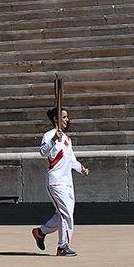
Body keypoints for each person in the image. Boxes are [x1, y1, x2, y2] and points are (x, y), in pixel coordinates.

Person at [31, 107, 89, 257]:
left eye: (67, 117)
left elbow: (71, 160)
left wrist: (82, 168)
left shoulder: (67, 139)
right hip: (55, 182)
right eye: (64, 117)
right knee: (66, 214)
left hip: (68, 182)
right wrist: (52, 140)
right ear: (56, 119)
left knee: (62, 215)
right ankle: (62, 246)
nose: (67, 120)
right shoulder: (49, 135)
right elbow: (43, 152)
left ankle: (40, 232)